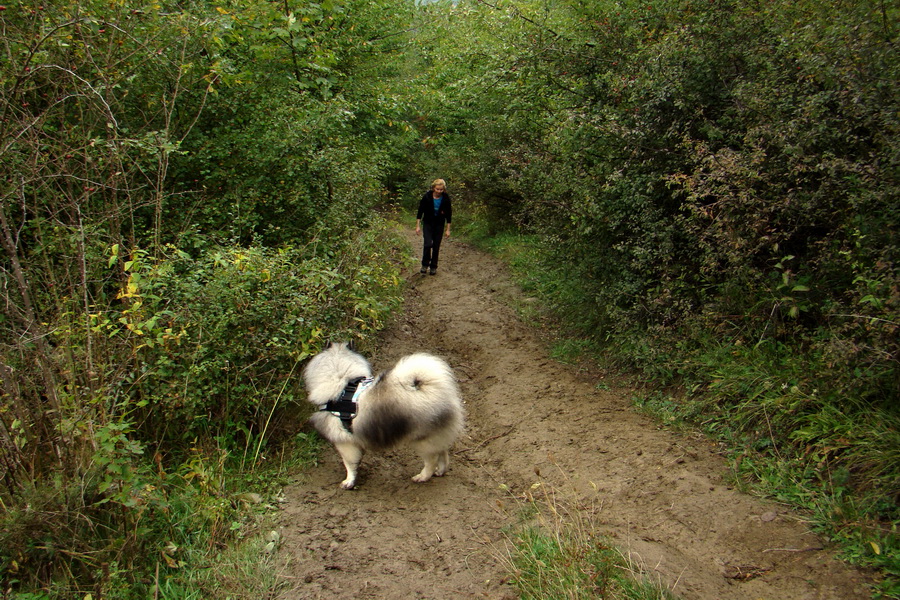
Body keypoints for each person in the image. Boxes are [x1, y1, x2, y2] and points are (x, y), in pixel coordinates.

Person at [415, 178, 452, 275]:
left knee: (436, 246)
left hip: (439, 224)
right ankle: (425, 264)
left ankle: (433, 266)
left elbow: (449, 214)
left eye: (441, 189)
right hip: (428, 223)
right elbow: (420, 211)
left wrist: (448, 229)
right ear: (433, 188)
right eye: (437, 189)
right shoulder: (427, 197)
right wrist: (418, 226)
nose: (439, 191)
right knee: (427, 244)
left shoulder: (445, 198)